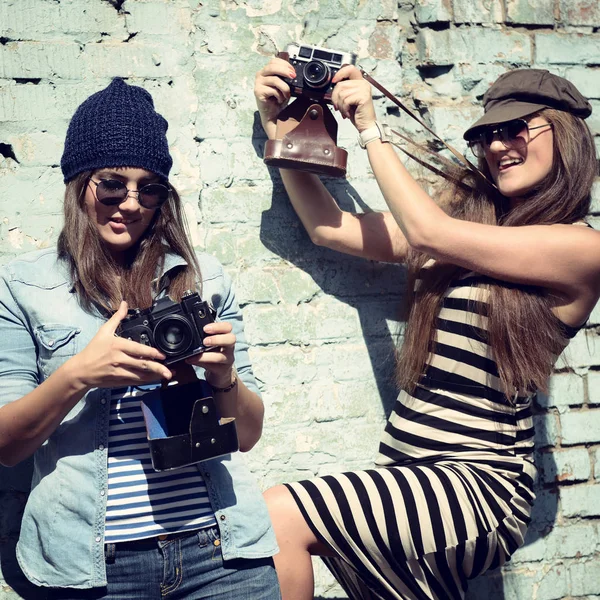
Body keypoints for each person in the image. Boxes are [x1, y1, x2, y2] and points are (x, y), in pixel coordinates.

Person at [254, 59, 600, 600]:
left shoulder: (582, 249)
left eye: (516, 130)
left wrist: (370, 128)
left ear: (569, 138)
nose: (498, 147)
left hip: (480, 490)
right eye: (487, 135)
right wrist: (283, 127)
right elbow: (330, 228)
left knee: (278, 515)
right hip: (408, 469)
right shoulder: (469, 231)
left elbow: (427, 230)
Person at [0, 78, 280, 599]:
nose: (130, 203)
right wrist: (80, 374)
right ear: (79, 183)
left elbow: (245, 435)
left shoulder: (205, 279)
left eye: (149, 188)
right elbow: (7, 445)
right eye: (112, 183)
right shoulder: (22, 285)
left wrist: (224, 377)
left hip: (221, 553)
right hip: (93, 569)